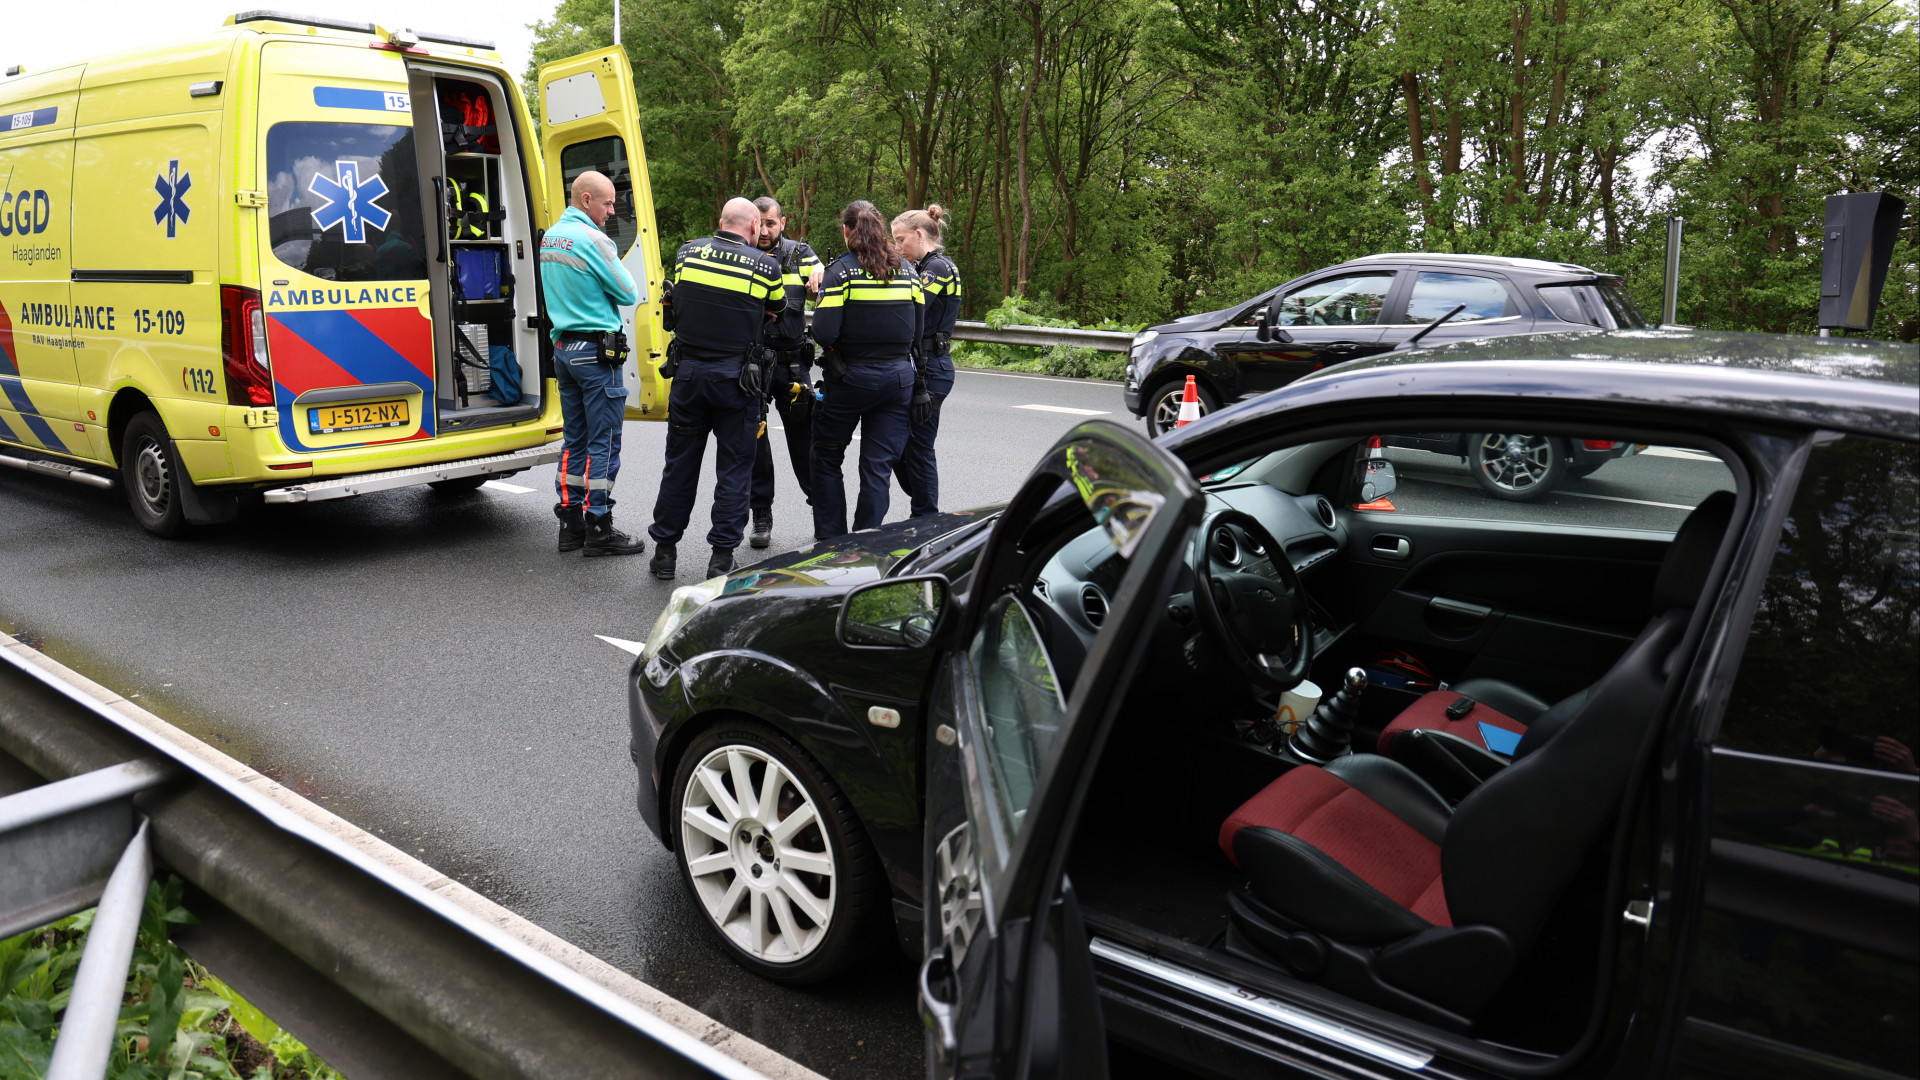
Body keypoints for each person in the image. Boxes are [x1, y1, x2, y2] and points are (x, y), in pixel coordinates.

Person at [646, 197, 785, 579]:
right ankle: (721, 558)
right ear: (755, 227)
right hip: (737, 382)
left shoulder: (688, 253)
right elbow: (778, 309)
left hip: (688, 375)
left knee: (679, 466)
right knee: (735, 470)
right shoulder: (766, 266)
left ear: (720, 221)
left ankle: (664, 554)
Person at [539, 169, 644, 556]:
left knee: (575, 440)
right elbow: (627, 291)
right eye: (608, 202)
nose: (612, 211)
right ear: (586, 200)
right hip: (595, 355)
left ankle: (569, 524)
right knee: (605, 443)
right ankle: (599, 526)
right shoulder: (593, 240)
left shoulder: (551, 237)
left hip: (565, 350)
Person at [810, 200, 926, 540]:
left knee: (827, 457)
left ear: (846, 231)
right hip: (898, 380)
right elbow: (917, 333)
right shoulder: (908, 271)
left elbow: (825, 332)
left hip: (849, 380)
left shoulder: (839, 273)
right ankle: (865, 540)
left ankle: (832, 541)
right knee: (878, 468)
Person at [746, 196, 825, 547]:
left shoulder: (800, 253)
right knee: (755, 441)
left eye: (771, 224)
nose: (764, 231)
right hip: (752, 365)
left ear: (783, 222)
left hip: (792, 365)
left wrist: (822, 272)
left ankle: (822, 510)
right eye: (759, 224)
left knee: (805, 441)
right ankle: (761, 514)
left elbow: (827, 281)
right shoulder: (741, 253)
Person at [890, 205, 961, 517]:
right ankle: (922, 501)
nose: (896, 247)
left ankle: (926, 517)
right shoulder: (925, 266)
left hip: (933, 368)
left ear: (919, 235)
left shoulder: (938, 268)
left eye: (900, 240)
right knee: (900, 446)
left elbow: (908, 307)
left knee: (918, 448)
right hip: (922, 365)